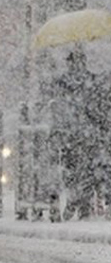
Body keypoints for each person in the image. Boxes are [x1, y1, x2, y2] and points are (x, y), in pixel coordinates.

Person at [52, 48, 97, 220]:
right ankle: (81, 203)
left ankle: (75, 200)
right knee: (85, 169)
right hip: (85, 132)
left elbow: (58, 107)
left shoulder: (62, 82)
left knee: (72, 170)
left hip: (71, 133)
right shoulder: (90, 80)